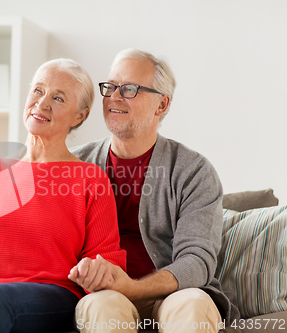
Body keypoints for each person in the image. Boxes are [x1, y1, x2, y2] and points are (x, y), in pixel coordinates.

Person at [0, 59, 127, 333]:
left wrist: (94, 271)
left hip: (50, 294)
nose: (42, 104)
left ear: (80, 116)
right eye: (38, 91)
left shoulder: (90, 179)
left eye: (58, 98)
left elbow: (107, 262)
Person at [68, 48, 240, 333]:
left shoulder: (193, 171)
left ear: (162, 105)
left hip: (173, 294)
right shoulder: (74, 164)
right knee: (101, 307)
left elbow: (197, 261)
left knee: (193, 305)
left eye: (130, 89)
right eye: (110, 87)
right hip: (102, 294)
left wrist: (134, 287)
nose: (114, 97)